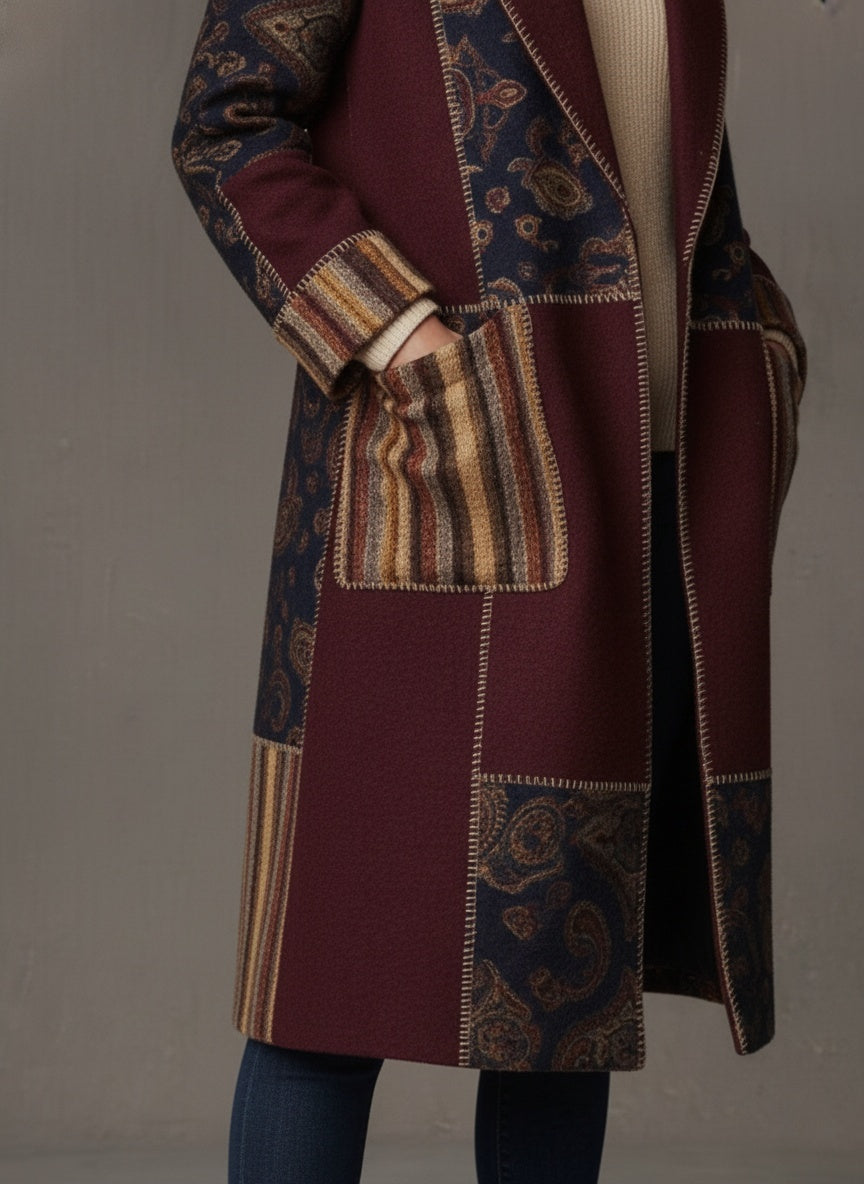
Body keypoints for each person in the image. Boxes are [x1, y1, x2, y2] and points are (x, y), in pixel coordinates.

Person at [171, 1, 807, 1180]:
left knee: (562, 995)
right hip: (448, 460)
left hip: (654, 487)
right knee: (328, 991)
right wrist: (400, 337)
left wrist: (760, 338)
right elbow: (226, 121)